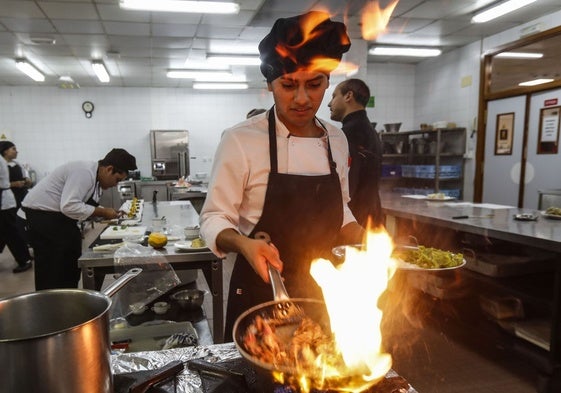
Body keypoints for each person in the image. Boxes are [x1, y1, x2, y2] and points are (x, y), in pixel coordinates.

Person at [200, 11, 364, 341]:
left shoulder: (336, 139)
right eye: (288, 86)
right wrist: (242, 243)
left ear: (328, 81)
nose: (302, 99)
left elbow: (341, 209)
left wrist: (367, 239)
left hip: (324, 290)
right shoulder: (241, 139)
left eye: (315, 84)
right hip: (261, 293)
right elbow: (214, 218)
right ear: (270, 85)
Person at [22, 148, 137, 289]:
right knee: (53, 267)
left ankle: (69, 295)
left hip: (57, 219)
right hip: (42, 218)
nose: (115, 184)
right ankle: (52, 302)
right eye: (117, 179)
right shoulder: (84, 172)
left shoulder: (94, 178)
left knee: (70, 258)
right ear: (109, 169)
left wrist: (105, 211)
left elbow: (82, 203)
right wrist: (103, 212)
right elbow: (69, 206)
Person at [328, 78, 384, 228]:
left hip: (355, 223)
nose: (329, 103)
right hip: (371, 217)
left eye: (334, 96)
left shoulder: (348, 135)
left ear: (348, 96)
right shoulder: (369, 131)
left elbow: (347, 187)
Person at [0, 142, 33, 273]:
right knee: (8, 231)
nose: (16, 151)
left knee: (12, 231)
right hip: (8, 200)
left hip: (9, 201)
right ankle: (24, 257)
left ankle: (24, 259)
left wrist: (25, 181)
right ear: (5, 151)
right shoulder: (3, 162)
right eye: (13, 149)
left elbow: (4, 183)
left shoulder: (14, 164)